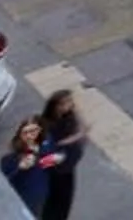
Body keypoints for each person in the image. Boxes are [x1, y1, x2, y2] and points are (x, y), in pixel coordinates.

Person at [38, 88, 87, 220]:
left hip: (67, 167)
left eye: (71, 101)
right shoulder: (51, 124)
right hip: (58, 170)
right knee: (58, 202)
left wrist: (74, 109)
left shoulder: (68, 115)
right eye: (67, 102)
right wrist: (78, 136)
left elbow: (84, 126)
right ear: (57, 106)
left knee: (63, 202)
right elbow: (59, 144)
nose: (71, 104)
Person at [0, 117, 57, 214]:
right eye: (27, 132)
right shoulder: (9, 159)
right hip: (21, 200)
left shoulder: (46, 145)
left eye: (35, 131)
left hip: (40, 197)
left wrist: (48, 161)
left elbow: (51, 164)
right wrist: (20, 168)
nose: (32, 136)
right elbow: (3, 183)